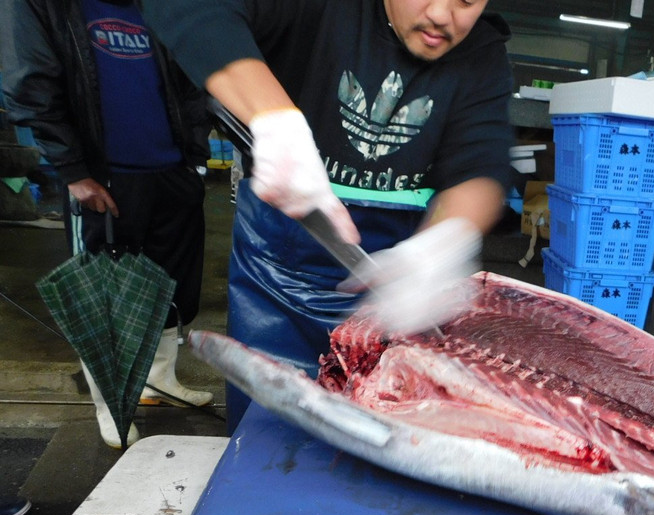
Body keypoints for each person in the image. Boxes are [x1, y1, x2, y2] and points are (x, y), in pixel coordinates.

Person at [139, 0, 515, 431]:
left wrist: (440, 247)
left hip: (396, 293)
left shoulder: (481, 49)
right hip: (278, 282)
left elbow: (482, 164)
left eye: (467, 1)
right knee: (265, 445)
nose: (442, 15)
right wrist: (275, 119)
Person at [2, 0, 214, 450]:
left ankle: (158, 380)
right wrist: (74, 170)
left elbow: (192, 81)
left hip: (172, 171)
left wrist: (193, 160)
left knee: (173, 286)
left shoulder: (153, 8)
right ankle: (110, 404)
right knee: (102, 296)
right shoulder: (45, 7)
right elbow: (29, 83)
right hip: (104, 177)